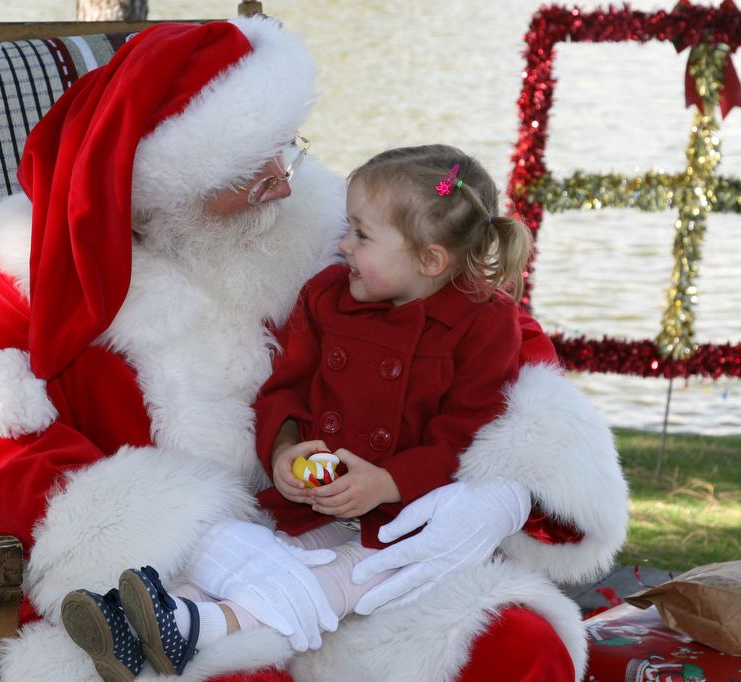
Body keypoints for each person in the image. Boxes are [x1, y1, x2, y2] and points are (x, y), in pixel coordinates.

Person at [0, 15, 629, 682]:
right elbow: (4, 440)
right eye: (248, 174)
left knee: (515, 647)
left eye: (288, 146)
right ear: (159, 189)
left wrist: (500, 491)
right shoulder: (30, 277)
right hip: (161, 585)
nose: (284, 182)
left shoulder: (335, 224)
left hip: (349, 541)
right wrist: (206, 538)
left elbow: (497, 331)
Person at [59, 144, 540, 679]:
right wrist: (285, 451)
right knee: (256, 557)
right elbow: (284, 390)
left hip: (410, 522)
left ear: (430, 259)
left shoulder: (486, 323)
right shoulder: (328, 296)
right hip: (317, 503)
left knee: (334, 582)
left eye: (361, 235)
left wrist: (387, 482)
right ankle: (144, 623)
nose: (343, 244)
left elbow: (469, 435)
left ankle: (205, 628)